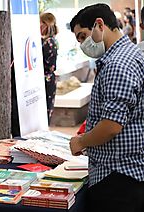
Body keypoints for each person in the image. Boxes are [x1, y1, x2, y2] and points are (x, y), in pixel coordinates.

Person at [69, 3, 144, 212]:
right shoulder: (130, 54)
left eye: (83, 36)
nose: (83, 44)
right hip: (126, 173)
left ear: (99, 25)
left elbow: (111, 126)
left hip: (117, 177)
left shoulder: (117, 65)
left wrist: (81, 141)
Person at [39, 12, 58, 124]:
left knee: (44, 110)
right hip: (50, 79)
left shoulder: (46, 42)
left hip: (45, 80)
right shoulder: (52, 41)